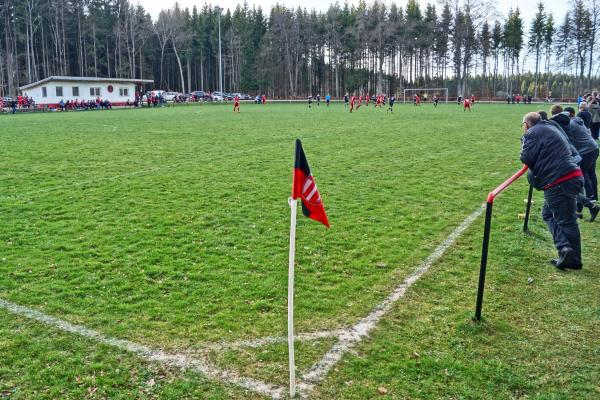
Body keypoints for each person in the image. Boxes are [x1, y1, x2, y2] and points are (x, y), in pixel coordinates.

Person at [520, 112, 585, 270]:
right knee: (548, 214)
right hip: (572, 175)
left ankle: (568, 254)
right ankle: (567, 251)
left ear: (527, 124)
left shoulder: (532, 133)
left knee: (566, 221)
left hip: (559, 181)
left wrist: (524, 141)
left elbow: (525, 158)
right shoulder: (551, 126)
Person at [564, 106, 599, 209]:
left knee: (581, 174)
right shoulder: (577, 121)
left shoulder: (571, 124)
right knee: (591, 173)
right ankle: (593, 196)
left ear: (568, 114)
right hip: (594, 148)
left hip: (587, 151)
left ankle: (588, 198)